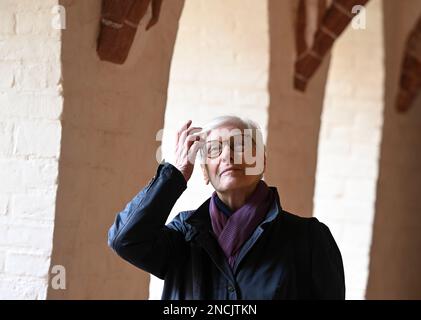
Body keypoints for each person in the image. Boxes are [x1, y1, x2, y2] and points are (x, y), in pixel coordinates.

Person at [108, 116, 345, 300]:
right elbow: (125, 239)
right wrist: (175, 173)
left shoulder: (308, 239)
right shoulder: (184, 235)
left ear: (261, 161)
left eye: (240, 145)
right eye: (213, 149)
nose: (228, 155)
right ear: (204, 171)